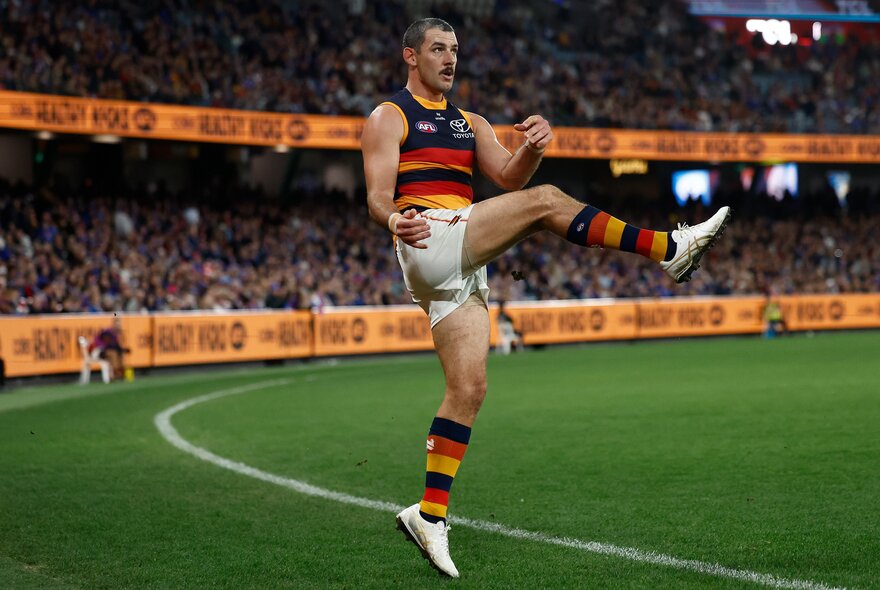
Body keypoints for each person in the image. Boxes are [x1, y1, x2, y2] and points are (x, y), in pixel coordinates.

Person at [361, 18, 731, 578]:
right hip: (428, 236)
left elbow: (509, 179)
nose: (450, 59)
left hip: (461, 256)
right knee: (548, 202)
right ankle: (668, 249)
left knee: (469, 389)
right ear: (409, 56)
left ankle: (428, 516)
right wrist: (394, 219)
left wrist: (533, 147)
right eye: (438, 49)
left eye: (455, 50)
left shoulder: (469, 122)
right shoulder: (389, 116)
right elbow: (375, 196)